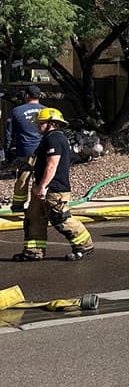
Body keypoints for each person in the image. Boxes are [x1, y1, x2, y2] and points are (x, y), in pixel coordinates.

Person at [11, 108, 94, 261]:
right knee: (34, 218)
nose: (37, 125)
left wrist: (43, 186)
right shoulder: (48, 138)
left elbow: (52, 165)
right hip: (42, 187)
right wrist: (28, 167)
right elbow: (42, 163)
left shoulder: (55, 138)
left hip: (53, 189)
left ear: (52, 123)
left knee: (60, 218)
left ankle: (84, 245)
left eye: (41, 123)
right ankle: (33, 251)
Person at [4, 85, 45, 214]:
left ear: (26, 96)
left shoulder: (17, 111)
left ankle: (18, 206)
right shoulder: (46, 111)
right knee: (41, 179)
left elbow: (8, 134)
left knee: (22, 179)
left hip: (24, 151)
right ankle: (39, 206)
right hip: (43, 152)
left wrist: (7, 152)